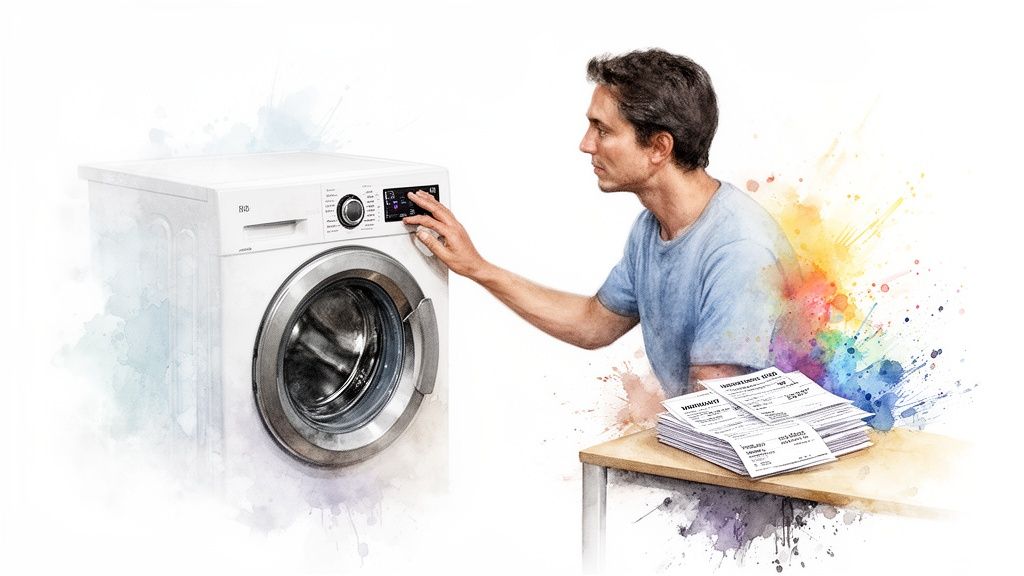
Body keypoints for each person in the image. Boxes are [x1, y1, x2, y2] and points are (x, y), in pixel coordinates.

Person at [403, 49, 796, 397]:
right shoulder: (652, 228)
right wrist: (477, 268)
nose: (586, 144)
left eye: (602, 129)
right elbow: (594, 325)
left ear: (659, 147)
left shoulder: (738, 250)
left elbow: (715, 408)